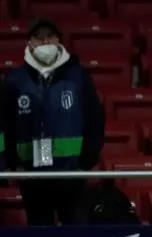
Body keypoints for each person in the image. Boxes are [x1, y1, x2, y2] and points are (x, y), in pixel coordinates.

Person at [0, 18, 105, 226]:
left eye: (50, 37)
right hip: (32, 176)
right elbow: (4, 125)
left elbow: (95, 121)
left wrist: (85, 163)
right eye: (39, 38)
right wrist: (13, 165)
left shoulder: (78, 76)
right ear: (29, 43)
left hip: (71, 175)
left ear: (58, 40)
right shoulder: (14, 80)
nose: (45, 42)